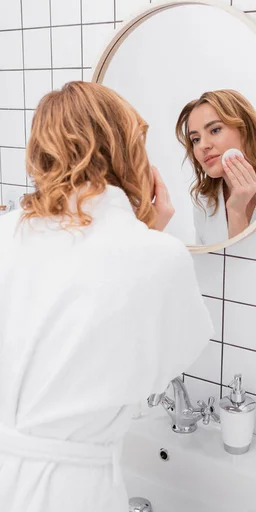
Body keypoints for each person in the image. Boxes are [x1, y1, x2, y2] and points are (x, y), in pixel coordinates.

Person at [0, 82, 213, 512]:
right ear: (124, 150)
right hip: (70, 492)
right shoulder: (156, 256)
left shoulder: (7, 231)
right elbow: (155, 373)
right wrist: (149, 233)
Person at [175, 89, 256, 245]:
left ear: (245, 131)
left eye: (215, 130)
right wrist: (236, 211)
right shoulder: (204, 201)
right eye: (195, 139)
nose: (203, 145)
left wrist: (237, 212)